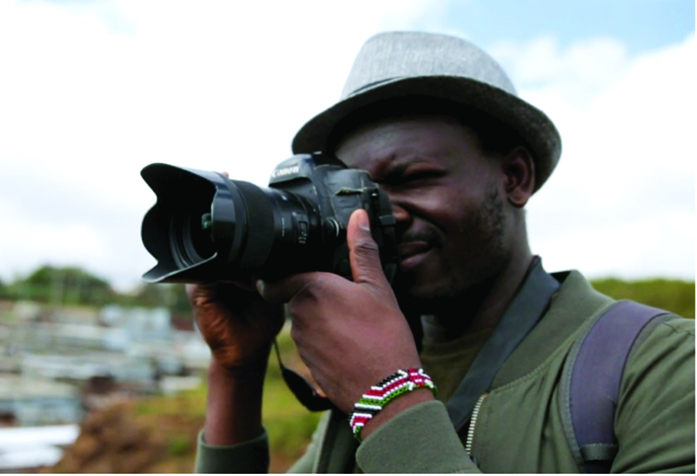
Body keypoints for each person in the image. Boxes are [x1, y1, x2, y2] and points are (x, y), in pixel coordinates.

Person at [189, 32, 695, 473]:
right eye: (351, 195)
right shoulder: (367, 372)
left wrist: (390, 401)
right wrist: (236, 371)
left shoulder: (662, 369)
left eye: (413, 179)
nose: (379, 217)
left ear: (515, 178)